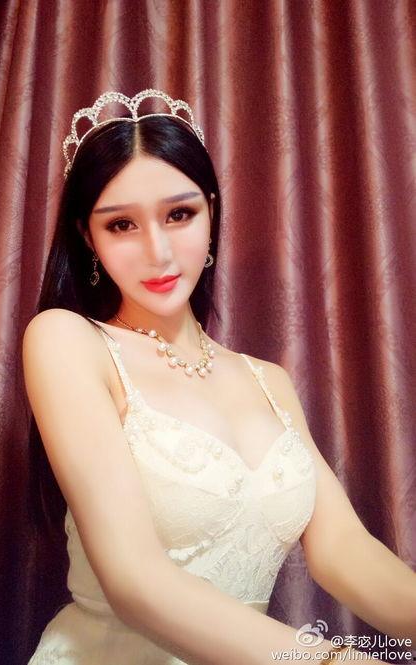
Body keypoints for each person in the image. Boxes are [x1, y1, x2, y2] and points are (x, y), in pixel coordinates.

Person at [22, 90, 416, 664]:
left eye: (179, 214)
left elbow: (342, 549)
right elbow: (135, 581)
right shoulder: (68, 341)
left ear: (210, 212)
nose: (158, 251)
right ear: (88, 237)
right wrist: (334, 661)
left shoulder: (269, 382)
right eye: (122, 224)